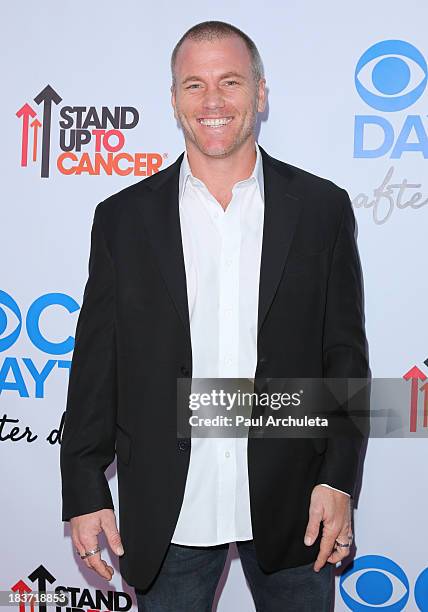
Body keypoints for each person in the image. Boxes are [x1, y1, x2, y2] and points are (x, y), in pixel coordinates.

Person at [60, 20, 370, 612]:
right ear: (174, 100)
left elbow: (345, 357)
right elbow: (97, 364)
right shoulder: (122, 219)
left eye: (229, 81)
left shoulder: (322, 208)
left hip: (296, 505)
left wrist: (337, 478)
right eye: (194, 85)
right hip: (168, 510)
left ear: (260, 92)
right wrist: (83, 486)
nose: (213, 102)